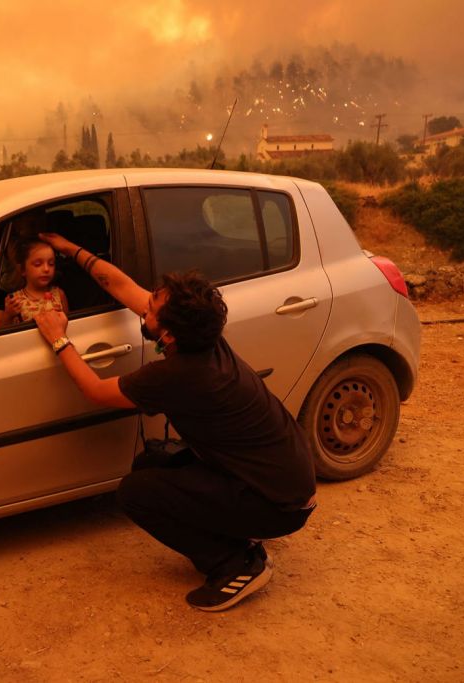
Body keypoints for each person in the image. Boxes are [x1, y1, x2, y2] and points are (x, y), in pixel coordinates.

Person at [32, 232, 316, 612]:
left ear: (167, 333)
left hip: (278, 504)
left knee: (136, 493)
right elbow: (122, 286)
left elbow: (96, 392)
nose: (143, 308)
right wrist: (71, 249)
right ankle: (237, 537)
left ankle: (234, 564)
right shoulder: (204, 337)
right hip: (281, 481)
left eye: (149, 310)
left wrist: (58, 339)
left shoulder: (182, 373)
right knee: (151, 465)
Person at [0, 238, 68, 328]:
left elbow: (69, 325)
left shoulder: (59, 295)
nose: (46, 269)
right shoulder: (15, 300)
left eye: (51, 264)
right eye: (37, 264)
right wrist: (8, 315)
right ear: (23, 270)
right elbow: (0, 333)